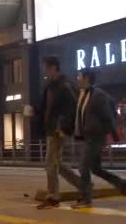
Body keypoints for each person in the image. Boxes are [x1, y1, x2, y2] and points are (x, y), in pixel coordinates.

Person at [71, 69, 125, 208]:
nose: (77, 78)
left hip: (95, 137)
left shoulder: (97, 95)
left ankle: (86, 198)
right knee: (95, 169)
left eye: (79, 76)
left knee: (83, 167)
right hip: (87, 137)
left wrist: (114, 135)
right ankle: (122, 184)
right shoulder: (83, 94)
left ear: (86, 78)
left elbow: (107, 116)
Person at [36, 56, 79, 210]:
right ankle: (82, 185)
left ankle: (53, 196)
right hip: (50, 129)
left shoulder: (64, 85)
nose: (45, 71)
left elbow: (71, 109)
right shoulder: (50, 86)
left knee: (50, 162)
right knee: (56, 163)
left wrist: (64, 128)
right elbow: (45, 108)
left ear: (54, 67)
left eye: (47, 68)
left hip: (57, 130)